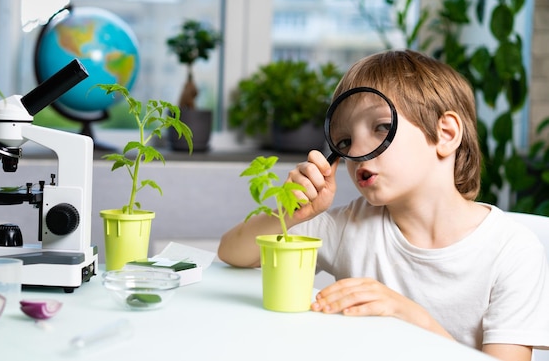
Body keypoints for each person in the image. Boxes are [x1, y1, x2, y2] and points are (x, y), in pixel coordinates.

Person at [217, 50, 549, 361]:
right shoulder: (351, 226)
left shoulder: (512, 251)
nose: (358, 149)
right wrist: (290, 213)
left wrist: (410, 316)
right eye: (345, 141)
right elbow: (232, 252)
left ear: (445, 134)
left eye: (381, 127)